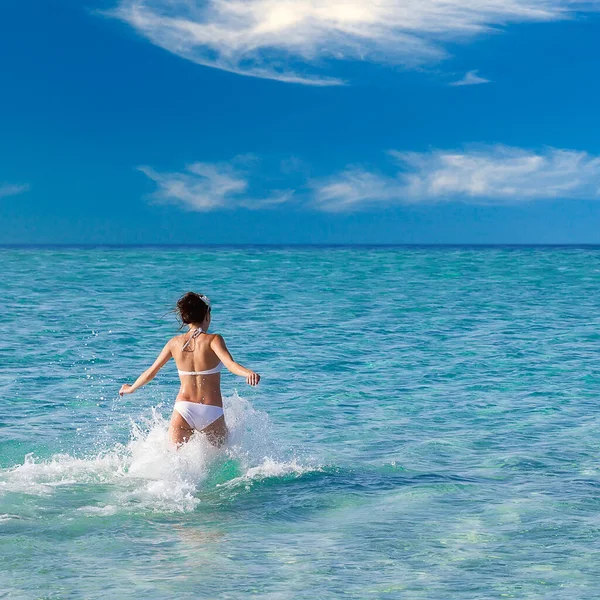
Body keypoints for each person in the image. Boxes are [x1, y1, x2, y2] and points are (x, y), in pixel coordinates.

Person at [119, 292, 260, 446]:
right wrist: (248, 373)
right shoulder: (214, 340)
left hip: (183, 409)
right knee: (222, 463)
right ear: (207, 315)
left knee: (175, 463)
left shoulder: (174, 342)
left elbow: (151, 372)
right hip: (210, 410)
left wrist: (131, 388)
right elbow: (230, 364)